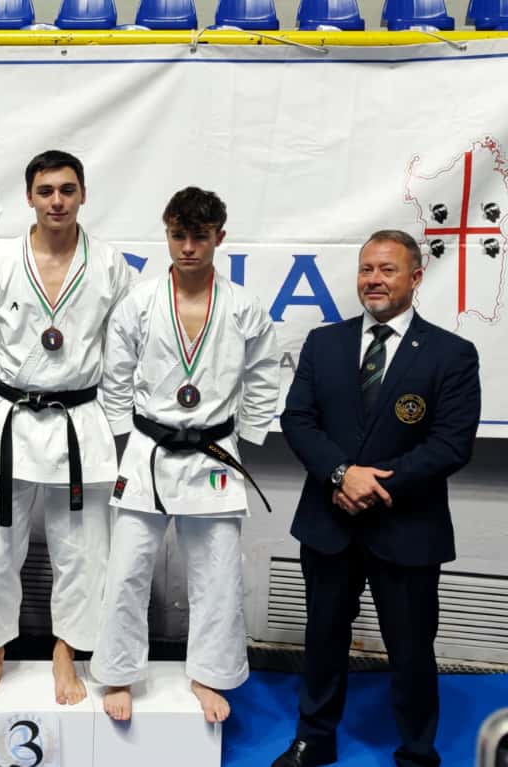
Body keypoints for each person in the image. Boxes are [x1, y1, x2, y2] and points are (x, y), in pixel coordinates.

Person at [272, 230, 481, 767]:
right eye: (367, 269)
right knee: (322, 639)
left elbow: (451, 445)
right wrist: (342, 475)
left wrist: (373, 484)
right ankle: (313, 739)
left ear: (416, 277)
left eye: (387, 269)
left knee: (412, 649)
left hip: (406, 526)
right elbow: (298, 420)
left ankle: (417, 752)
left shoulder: (452, 354)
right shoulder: (324, 343)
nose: (374, 280)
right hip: (329, 523)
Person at [89, 186, 280, 723]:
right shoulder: (139, 303)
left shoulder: (243, 307)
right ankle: (119, 672)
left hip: (214, 452)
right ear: (167, 235)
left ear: (220, 237)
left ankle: (208, 674)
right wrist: (125, 434)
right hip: (149, 449)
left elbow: (264, 375)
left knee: (217, 574)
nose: (189, 247)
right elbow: (115, 377)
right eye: (179, 236)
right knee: (127, 569)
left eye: (200, 236)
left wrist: (248, 432)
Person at [0, 150, 132, 705]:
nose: (57, 201)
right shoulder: (2, 259)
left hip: (79, 421)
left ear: (83, 194)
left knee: (82, 552)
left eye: (67, 189)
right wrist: (5, 376)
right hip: (12, 419)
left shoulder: (109, 264)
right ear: (29, 197)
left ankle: (66, 654)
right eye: (46, 191)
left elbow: (122, 344)